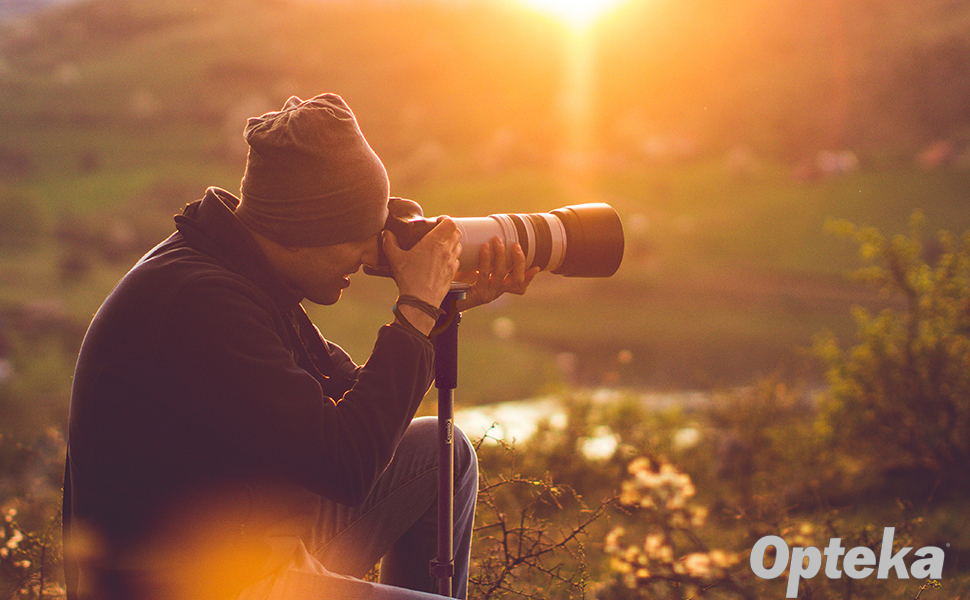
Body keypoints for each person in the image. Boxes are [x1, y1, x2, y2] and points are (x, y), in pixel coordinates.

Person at [63, 93, 538, 600]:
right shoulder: (201, 303)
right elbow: (347, 464)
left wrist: (438, 310)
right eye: (357, 236)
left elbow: (355, 403)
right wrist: (415, 309)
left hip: (250, 544)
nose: (365, 256)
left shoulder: (243, 267)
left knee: (441, 454)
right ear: (302, 231)